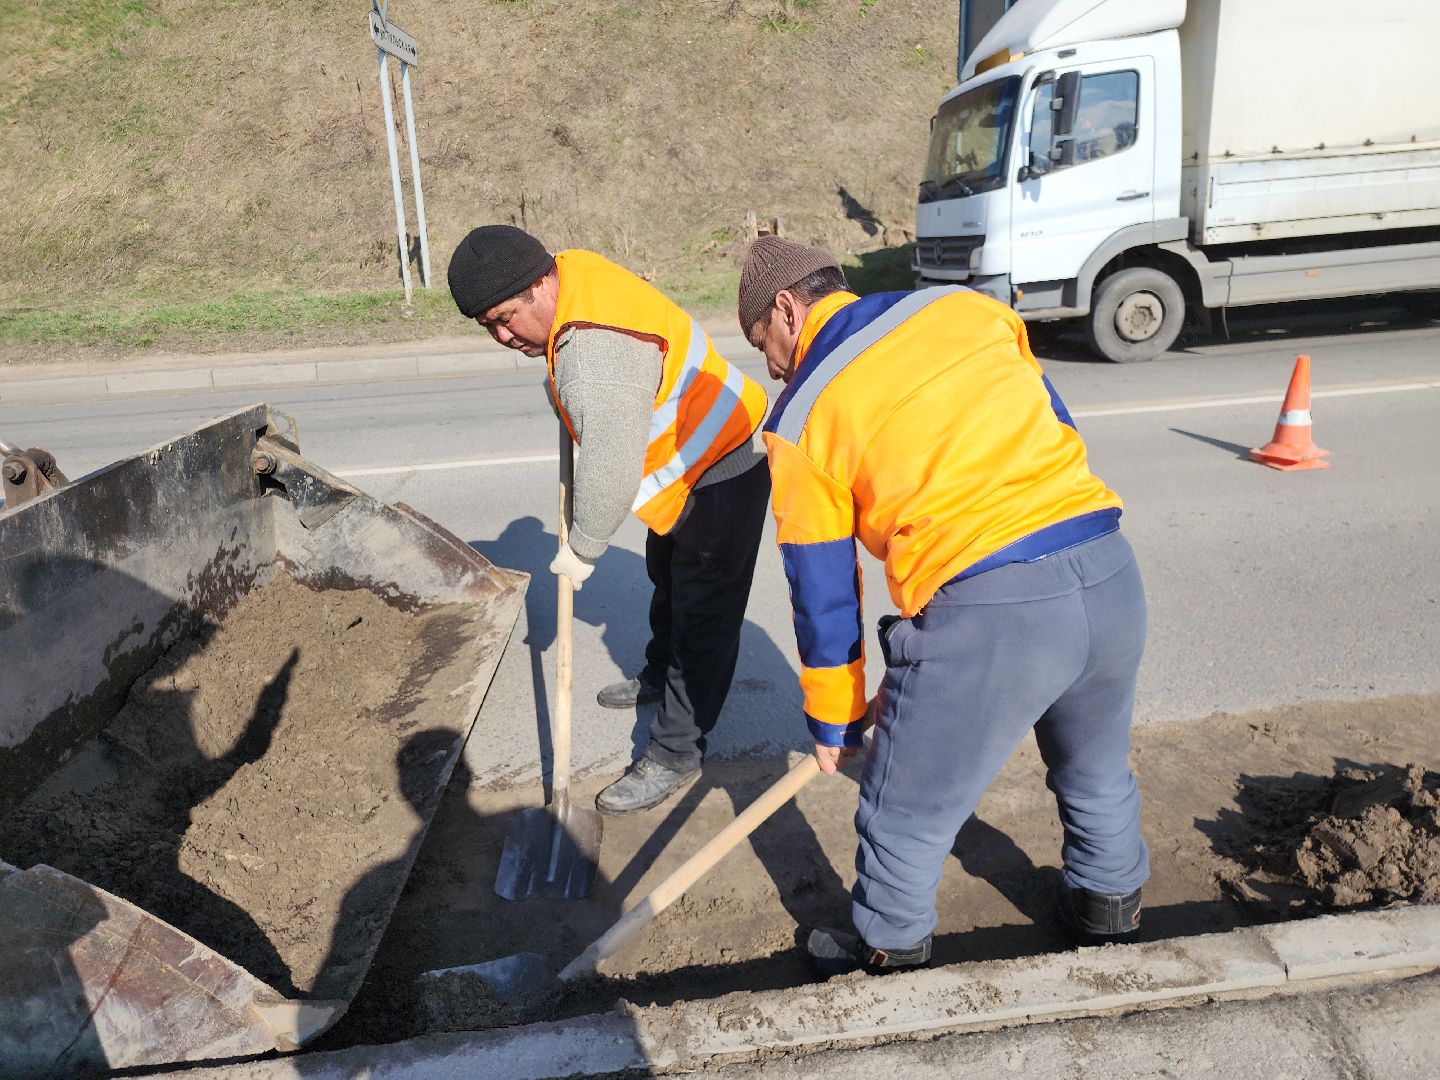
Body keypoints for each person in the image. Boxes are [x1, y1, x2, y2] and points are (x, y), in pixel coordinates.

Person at [737, 237, 1150, 974]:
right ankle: (1109, 912)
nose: (769, 364)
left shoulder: (802, 413)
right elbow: (1055, 425)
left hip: (992, 610)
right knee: (1096, 768)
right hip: (1109, 568)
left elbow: (822, 585)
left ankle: (887, 947)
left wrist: (835, 718)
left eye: (762, 342)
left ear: (787, 308)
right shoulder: (967, 309)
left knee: (902, 810)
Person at [448, 226, 770, 815]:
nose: (501, 336)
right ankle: (656, 673)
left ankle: (675, 752)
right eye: (486, 325)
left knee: (703, 615)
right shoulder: (570, 275)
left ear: (541, 284)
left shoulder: (593, 350)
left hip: (722, 460)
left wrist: (583, 548)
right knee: (667, 577)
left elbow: (611, 468)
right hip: (688, 455)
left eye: (505, 318)